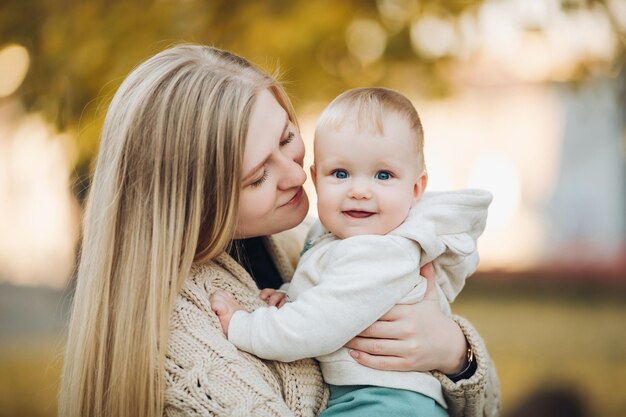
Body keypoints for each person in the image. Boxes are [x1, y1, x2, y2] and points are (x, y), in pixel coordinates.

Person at [58, 44, 500, 417]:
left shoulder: (306, 240)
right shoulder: (184, 334)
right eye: (257, 177)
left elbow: (487, 403)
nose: (294, 174)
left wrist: (456, 354)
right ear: (195, 205)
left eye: (287, 138)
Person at [210, 87, 493, 417]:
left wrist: (242, 325)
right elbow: (335, 295)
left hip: (387, 403)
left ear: (416, 188)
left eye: (383, 175)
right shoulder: (336, 238)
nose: (359, 191)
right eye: (340, 174)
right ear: (316, 180)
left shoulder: (380, 253)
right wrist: (291, 296)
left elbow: (310, 328)